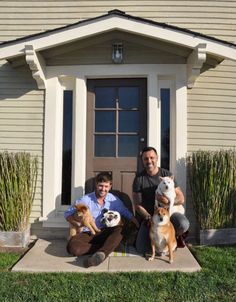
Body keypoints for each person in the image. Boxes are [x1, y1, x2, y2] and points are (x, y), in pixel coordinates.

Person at [65, 171, 139, 268]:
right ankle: (108, 247)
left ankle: (101, 254)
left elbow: (126, 213)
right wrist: (77, 224)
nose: (103, 189)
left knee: (120, 230)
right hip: (87, 233)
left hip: (105, 231)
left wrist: (137, 223)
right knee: (72, 248)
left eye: (106, 186)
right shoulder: (85, 200)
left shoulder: (114, 200)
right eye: (100, 186)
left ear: (110, 186)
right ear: (96, 184)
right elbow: (67, 214)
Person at [132, 146, 190, 254]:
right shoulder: (139, 179)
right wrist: (148, 217)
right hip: (150, 216)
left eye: (151, 157)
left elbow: (181, 198)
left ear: (157, 158)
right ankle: (158, 240)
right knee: (141, 248)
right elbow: (137, 205)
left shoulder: (166, 175)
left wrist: (167, 202)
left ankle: (172, 238)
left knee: (183, 224)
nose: (149, 161)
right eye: (145, 159)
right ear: (142, 161)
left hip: (169, 213)